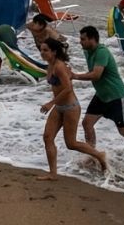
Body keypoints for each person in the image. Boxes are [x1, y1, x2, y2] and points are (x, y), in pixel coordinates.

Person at [72, 26, 124, 167]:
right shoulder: (87, 51)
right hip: (101, 95)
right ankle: (93, 154)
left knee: (123, 130)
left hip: (116, 96)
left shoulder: (102, 52)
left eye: (83, 39)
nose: (80, 42)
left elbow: (96, 74)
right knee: (87, 124)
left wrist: (75, 76)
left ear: (92, 39)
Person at [37, 38, 107, 180]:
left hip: (70, 108)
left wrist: (51, 103)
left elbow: (68, 89)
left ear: (54, 52)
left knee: (71, 143)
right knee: (47, 137)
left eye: (45, 50)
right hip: (59, 107)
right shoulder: (50, 66)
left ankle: (99, 155)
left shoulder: (59, 66)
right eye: (41, 50)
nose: (42, 53)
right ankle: (53, 173)